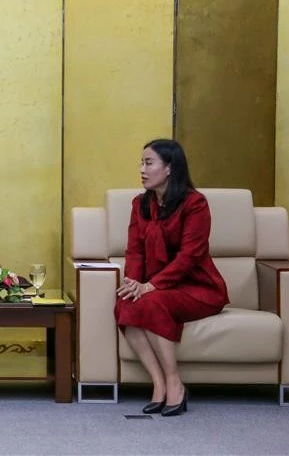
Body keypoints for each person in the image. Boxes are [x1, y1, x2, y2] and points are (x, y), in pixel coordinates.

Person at [114, 138, 229, 417]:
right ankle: (159, 383)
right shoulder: (140, 204)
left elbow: (190, 256)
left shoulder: (195, 204)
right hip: (158, 287)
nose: (142, 169)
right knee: (125, 304)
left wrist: (151, 285)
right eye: (141, 163)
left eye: (149, 163)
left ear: (169, 168)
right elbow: (135, 251)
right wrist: (133, 283)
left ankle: (175, 382)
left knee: (153, 302)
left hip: (198, 288)